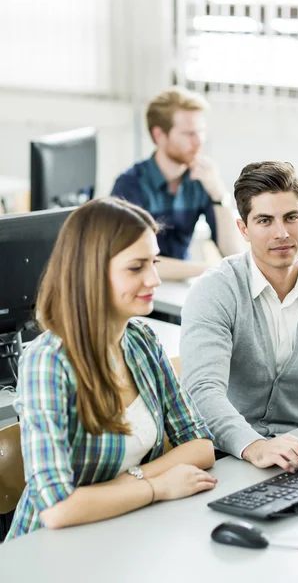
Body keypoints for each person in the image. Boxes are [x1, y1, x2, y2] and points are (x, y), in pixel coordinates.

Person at [6, 197, 216, 540]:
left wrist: (130, 481)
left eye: (154, 263)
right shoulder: (48, 361)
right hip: (50, 549)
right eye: (136, 267)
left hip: (128, 531)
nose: (154, 280)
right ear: (90, 272)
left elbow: (200, 446)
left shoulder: (142, 341)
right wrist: (157, 486)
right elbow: (59, 509)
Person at [180, 161, 298, 470]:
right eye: (265, 221)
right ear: (243, 229)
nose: (281, 233)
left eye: (291, 218)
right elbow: (202, 392)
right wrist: (255, 446)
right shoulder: (215, 291)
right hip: (230, 455)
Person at [111, 86, 243, 280]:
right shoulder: (130, 186)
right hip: (141, 287)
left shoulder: (200, 180)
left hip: (180, 286)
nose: (199, 142)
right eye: (189, 134)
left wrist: (219, 194)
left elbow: (233, 252)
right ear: (159, 136)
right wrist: (208, 269)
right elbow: (136, 260)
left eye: (201, 132)